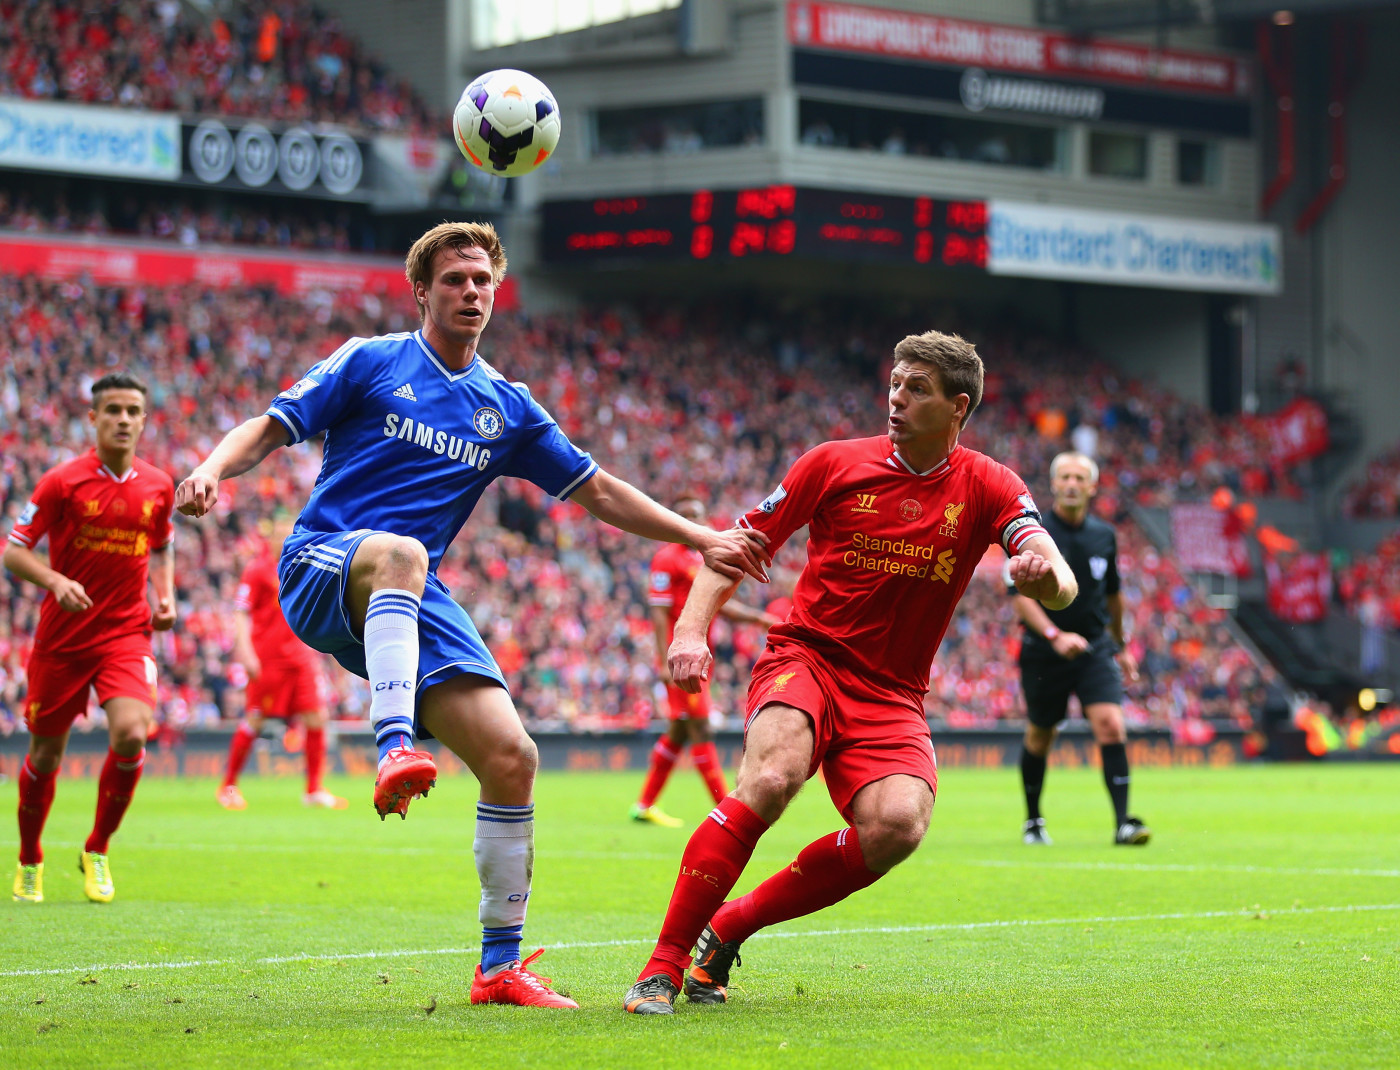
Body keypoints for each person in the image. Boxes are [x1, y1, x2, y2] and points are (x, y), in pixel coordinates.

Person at [175, 221, 769, 1009]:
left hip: (410, 592)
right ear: (423, 291)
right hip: (324, 562)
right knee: (403, 555)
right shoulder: (371, 359)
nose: (471, 292)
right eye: (455, 279)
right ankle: (392, 746)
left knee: (512, 757)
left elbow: (599, 491)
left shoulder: (506, 407)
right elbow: (271, 428)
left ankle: (497, 967)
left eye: (483, 280)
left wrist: (701, 537)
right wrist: (212, 467)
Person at [623, 330, 1077, 1013]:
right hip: (806, 656)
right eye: (895, 383)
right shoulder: (832, 463)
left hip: (893, 692)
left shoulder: (989, 483)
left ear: (959, 407)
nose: (896, 398)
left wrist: (1046, 576)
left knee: (897, 826)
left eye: (916, 388)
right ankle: (662, 964)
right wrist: (690, 630)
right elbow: (734, 549)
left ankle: (729, 930)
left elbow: (1057, 576)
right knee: (772, 776)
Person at [5, 373, 176, 904]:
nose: (123, 419)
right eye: (113, 411)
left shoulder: (158, 486)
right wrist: (55, 581)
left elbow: (163, 545)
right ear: (93, 419)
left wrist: (163, 594)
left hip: (125, 633)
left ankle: (97, 848)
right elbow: (13, 551)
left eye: (133, 411)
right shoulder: (61, 482)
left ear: (145, 420)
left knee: (131, 734)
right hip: (62, 641)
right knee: (47, 755)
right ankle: (30, 857)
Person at [1013, 451, 1149, 848]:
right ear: (1054, 485)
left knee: (1111, 724)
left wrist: (1121, 646)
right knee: (1041, 735)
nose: (1072, 484)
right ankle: (1033, 821)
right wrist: (1056, 636)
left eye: (1079, 478)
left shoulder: (1104, 535)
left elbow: (1113, 596)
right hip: (1043, 649)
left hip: (1095, 647)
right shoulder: (1033, 533)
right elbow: (1020, 598)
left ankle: (1124, 823)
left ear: (1092, 487)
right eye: (1065, 477)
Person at [632, 494, 780, 828]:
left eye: (696, 514)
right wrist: (662, 660)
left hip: (700, 654)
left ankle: (644, 805)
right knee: (700, 726)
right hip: (681, 659)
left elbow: (720, 603)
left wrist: (757, 618)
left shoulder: (703, 557)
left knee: (680, 732)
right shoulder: (666, 558)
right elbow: (658, 614)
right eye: (684, 515)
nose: (692, 520)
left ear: (705, 516)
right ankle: (726, 806)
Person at [218, 511, 347, 811]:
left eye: (287, 531)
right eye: (277, 532)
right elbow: (240, 611)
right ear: (270, 535)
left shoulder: (301, 567)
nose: (283, 537)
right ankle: (228, 786)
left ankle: (314, 789)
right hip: (268, 659)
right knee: (255, 719)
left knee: (316, 718)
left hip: (300, 657)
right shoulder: (257, 570)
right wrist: (246, 652)